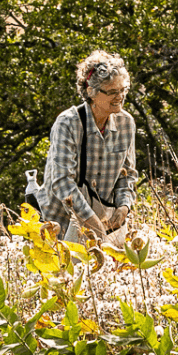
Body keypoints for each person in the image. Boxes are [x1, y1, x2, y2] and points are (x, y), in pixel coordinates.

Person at [38, 50, 137, 243]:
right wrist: (91, 222)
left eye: (123, 90)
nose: (120, 97)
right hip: (60, 222)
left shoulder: (126, 123)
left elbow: (127, 175)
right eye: (112, 92)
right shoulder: (68, 123)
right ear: (91, 91)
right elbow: (62, 182)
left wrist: (124, 206)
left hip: (103, 224)